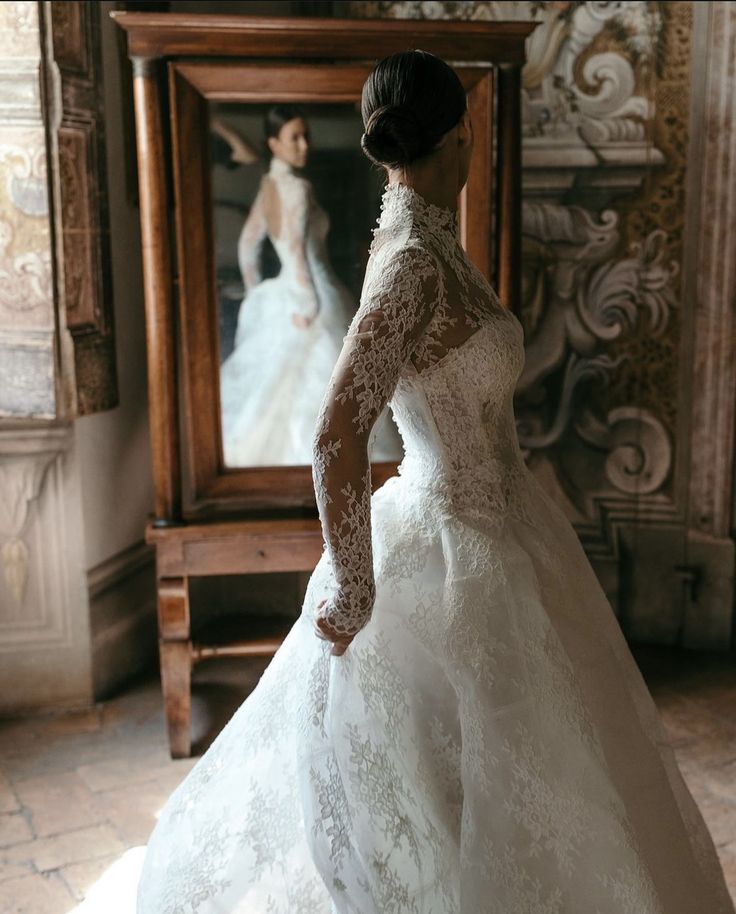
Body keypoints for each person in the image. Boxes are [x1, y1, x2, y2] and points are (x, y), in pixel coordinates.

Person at [136, 51, 735, 913]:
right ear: (458, 139)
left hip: (507, 527)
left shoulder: (432, 247)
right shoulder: (413, 261)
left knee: (540, 759)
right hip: (449, 542)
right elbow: (337, 429)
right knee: (457, 773)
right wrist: (352, 580)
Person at [219, 104, 401, 466]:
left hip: (286, 293)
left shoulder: (268, 186)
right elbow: (296, 250)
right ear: (273, 144)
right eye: (294, 138)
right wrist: (306, 303)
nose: (304, 145)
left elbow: (247, 247)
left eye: (306, 136)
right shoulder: (298, 188)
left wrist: (260, 292)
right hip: (312, 294)